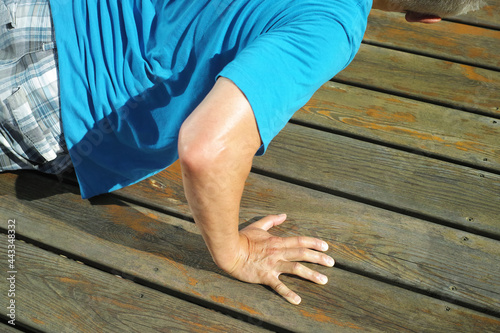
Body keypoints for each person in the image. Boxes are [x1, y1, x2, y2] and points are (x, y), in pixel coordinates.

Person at [0, 0, 486, 305]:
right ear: (426, 16)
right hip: (54, 86)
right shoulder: (331, 22)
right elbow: (207, 148)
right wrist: (235, 253)